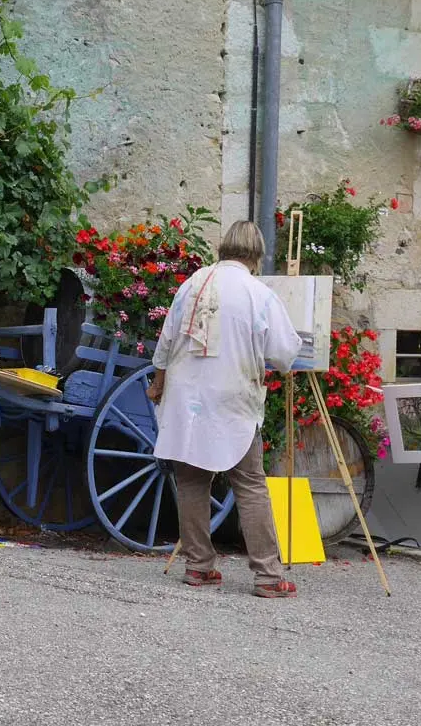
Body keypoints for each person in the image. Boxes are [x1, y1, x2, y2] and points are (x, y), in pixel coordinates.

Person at [146, 220, 302, 598]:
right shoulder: (258, 293)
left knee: (192, 481)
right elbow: (284, 354)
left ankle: (198, 567)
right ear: (256, 255)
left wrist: (159, 382)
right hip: (232, 398)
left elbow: (166, 342)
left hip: (188, 399)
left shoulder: (193, 284)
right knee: (249, 484)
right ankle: (267, 576)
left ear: (224, 248)